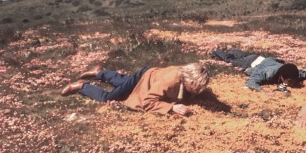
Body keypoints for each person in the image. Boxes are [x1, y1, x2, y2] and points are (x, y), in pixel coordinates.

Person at [60, 63, 210, 116]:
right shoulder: (169, 81)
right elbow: (148, 101)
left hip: (148, 76)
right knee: (109, 97)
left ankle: (99, 72)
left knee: (123, 82)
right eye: (195, 87)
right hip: (145, 78)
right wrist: (172, 107)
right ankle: (82, 86)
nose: (197, 91)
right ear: (187, 79)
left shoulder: (186, 73)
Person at [211, 48, 306, 91]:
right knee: (230, 60)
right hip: (252, 63)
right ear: (282, 77)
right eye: (290, 81)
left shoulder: (293, 72)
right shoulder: (267, 73)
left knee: (243, 55)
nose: (293, 83)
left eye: (294, 80)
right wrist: (262, 91)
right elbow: (251, 82)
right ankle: (215, 51)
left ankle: (233, 50)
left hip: (262, 59)